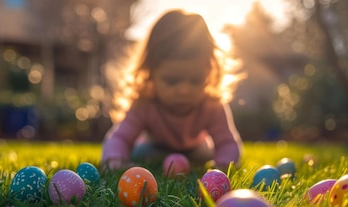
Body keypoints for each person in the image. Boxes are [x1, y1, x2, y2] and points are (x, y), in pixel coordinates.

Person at [100, 9, 244, 171]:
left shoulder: (211, 105)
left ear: (209, 73)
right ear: (151, 74)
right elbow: (120, 138)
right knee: (141, 153)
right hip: (154, 150)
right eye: (171, 81)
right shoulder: (145, 104)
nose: (184, 90)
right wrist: (114, 161)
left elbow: (227, 143)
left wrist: (224, 164)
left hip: (197, 151)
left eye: (196, 80)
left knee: (204, 154)